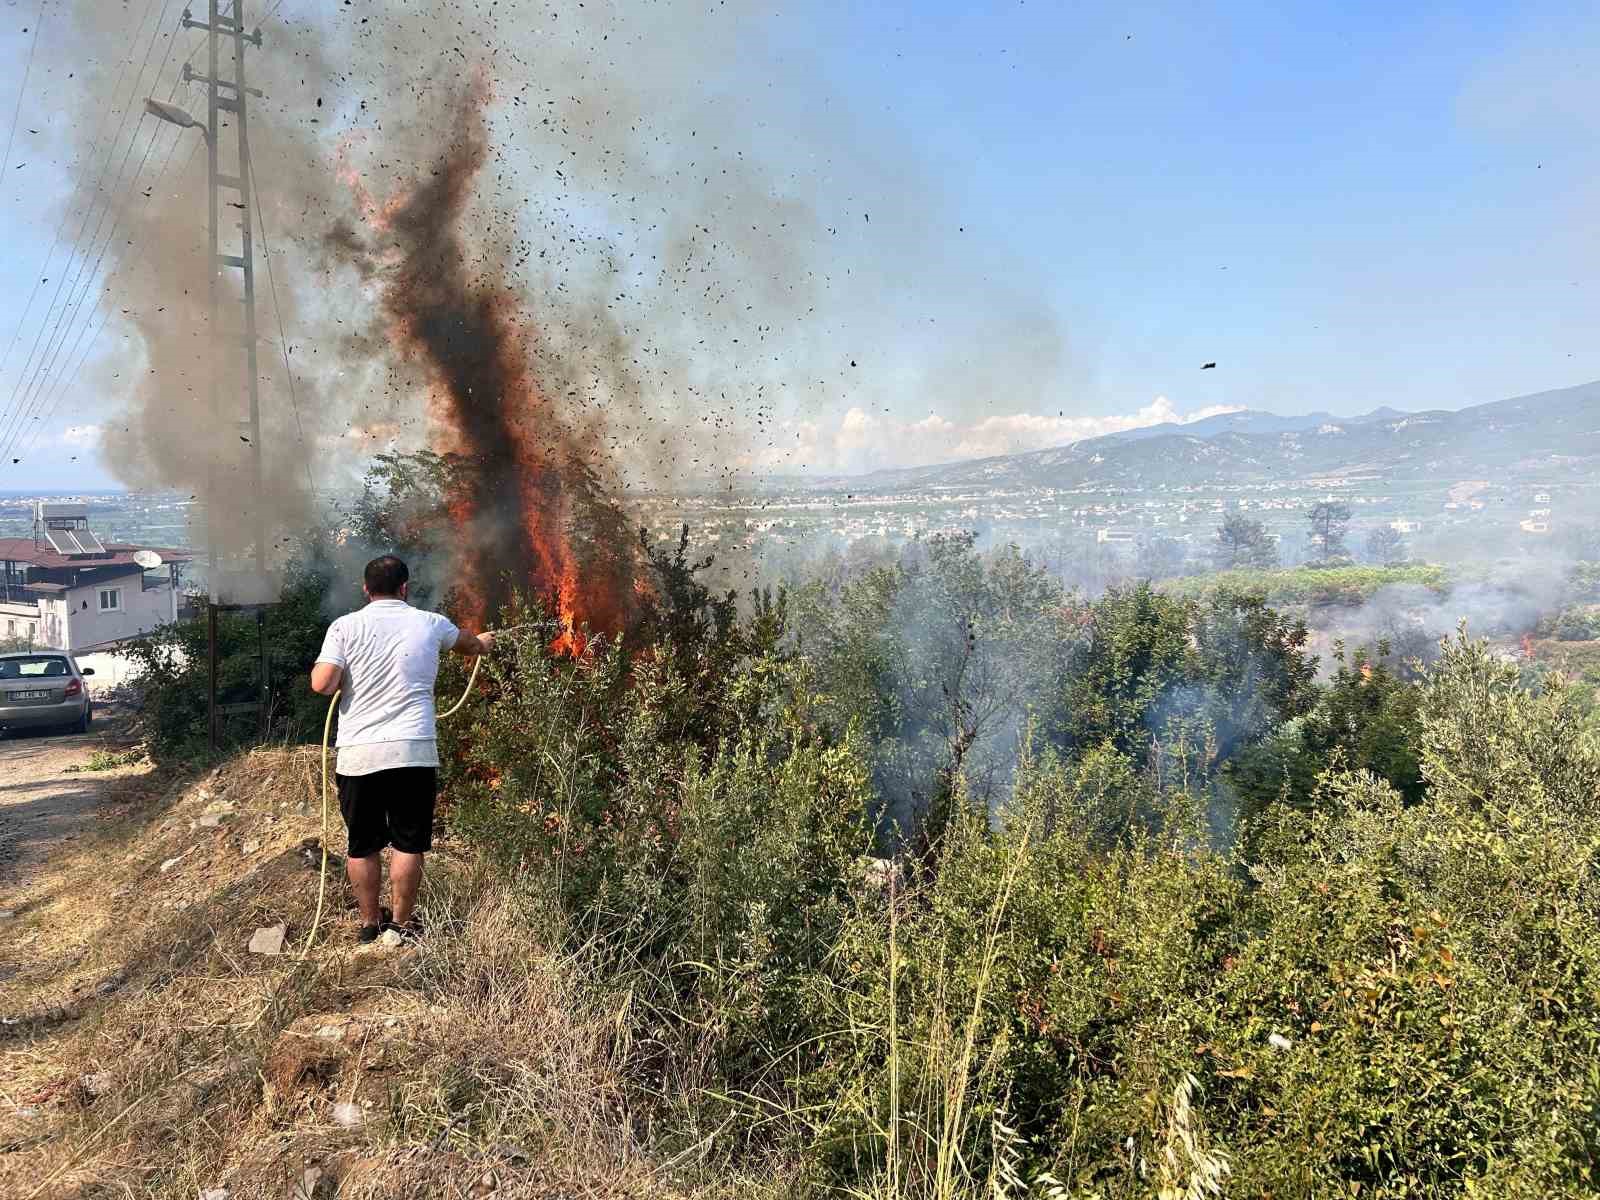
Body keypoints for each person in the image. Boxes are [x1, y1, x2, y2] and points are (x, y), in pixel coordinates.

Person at [310, 554, 493, 943]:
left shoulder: (344, 627)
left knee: (362, 845)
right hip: (413, 752)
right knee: (408, 842)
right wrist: (482, 643)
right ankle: (402, 924)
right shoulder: (430, 622)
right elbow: (466, 644)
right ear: (405, 588)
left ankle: (368, 924)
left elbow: (323, 684)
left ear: (366, 589)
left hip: (359, 755)